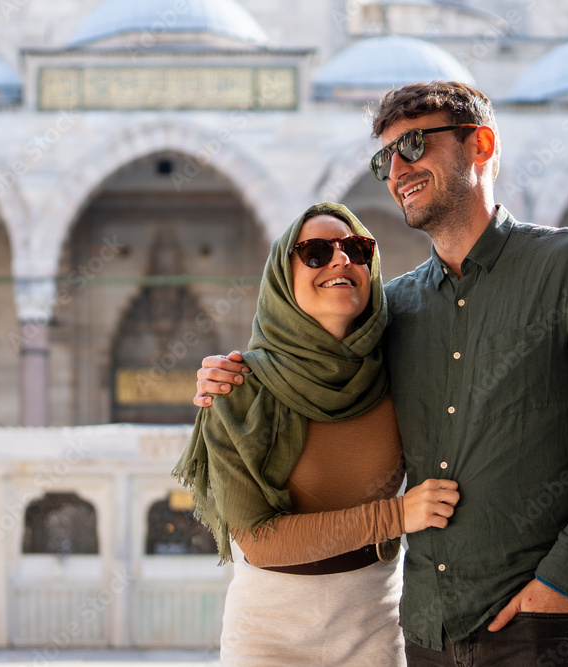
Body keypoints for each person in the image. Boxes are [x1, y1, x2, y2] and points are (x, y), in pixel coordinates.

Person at [194, 81, 568, 666]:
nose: (398, 169)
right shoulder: (397, 311)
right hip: (424, 634)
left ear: (481, 145)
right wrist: (233, 376)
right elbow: (317, 356)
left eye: (416, 145)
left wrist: (560, 586)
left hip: (535, 629)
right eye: (386, 158)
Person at [173, 202, 460, 666]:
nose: (340, 260)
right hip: (268, 636)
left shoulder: (402, 369)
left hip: (374, 624)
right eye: (315, 253)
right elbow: (261, 542)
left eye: (357, 248)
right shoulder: (240, 389)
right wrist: (397, 515)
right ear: (284, 278)